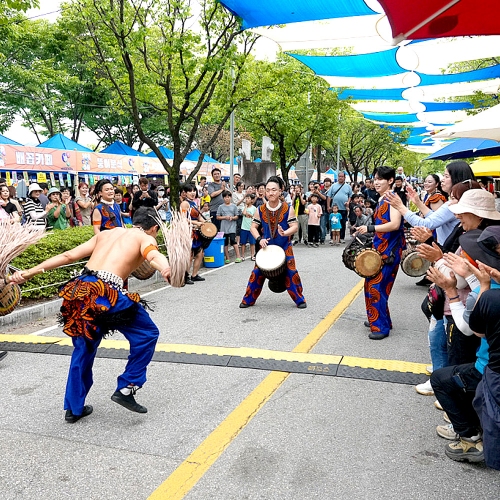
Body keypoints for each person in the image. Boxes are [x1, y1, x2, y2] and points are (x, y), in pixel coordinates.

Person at [9, 207, 171, 421]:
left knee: (83, 348)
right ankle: (127, 387)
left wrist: (28, 273)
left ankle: (74, 408)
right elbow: (154, 256)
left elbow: (68, 256)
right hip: (105, 293)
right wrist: (167, 269)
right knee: (147, 333)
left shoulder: (106, 234)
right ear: (155, 228)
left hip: (79, 290)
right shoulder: (144, 238)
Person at [240, 176, 306, 309]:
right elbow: (253, 227)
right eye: (268, 190)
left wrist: (285, 233)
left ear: (281, 190)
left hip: (284, 246)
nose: (270, 193)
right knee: (257, 273)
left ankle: (300, 299)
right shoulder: (261, 209)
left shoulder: (288, 208)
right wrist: (260, 239)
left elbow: (294, 226)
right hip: (266, 248)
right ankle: (248, 300)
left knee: (291, 272)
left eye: (274, 190)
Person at [357, 166, 406, 340]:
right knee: (373, 286)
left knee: (376, 287)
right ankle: (377, 319)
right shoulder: (382, 199)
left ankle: (381, 327)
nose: (376, 182)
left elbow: (394, 224)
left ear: (390, 181)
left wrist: (370, 228)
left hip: (389, 251)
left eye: (380, 179)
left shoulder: (393, 198)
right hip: (380, 250)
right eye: (375, 179)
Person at [180, 184, 206, 284]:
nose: (192, 193)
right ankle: (185, 276)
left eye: (194, 191)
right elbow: (183, 219)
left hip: (196, 232)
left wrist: (205, 223)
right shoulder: (184, 204)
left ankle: (194, 275)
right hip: (188, 231)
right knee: (189, 255)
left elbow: (199, 217)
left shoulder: (194, 204)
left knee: (200, 253)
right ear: (185, 193)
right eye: (190, 191)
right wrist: (196, 223)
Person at [217, 190, 242, 264]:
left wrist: (232, 218)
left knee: (233, 240)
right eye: (225, 197)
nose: (227, 198)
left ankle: (238, 256)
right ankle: (227, 258)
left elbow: (237, 216)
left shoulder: (234, 206)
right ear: (223, 198)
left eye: (228, 197)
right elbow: (218, 217)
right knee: (225, 242)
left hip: (232, 227)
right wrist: (225, 217)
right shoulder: (220, 207)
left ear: (230, 198)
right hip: (224, 227)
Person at [327, 172, 352, 243]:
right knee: (333, 223)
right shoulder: (333, 186)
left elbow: (350, 196)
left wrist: (348, 202)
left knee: (342, 223)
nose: (340, 178)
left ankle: (341, 238)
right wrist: (328, 206)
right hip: (334, 208)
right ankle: (333, 238)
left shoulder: (348, 186)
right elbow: (329, 196)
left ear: (345, 177)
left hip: (343, 208)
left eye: (342, 176)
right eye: (339, 176)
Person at [240, 193, 257, 261]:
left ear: (252, 200)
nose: (246, 200)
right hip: (244, 227)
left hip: (251, 228)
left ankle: (252, 255)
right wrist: (246, 207)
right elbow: (243, 213)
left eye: (248, 198)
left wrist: (250, 215)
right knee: (243, 243)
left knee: (252, 243)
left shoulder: (254, 208)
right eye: (246, 198)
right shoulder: (244, 207)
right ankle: (242, 255)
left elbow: (255, 217)